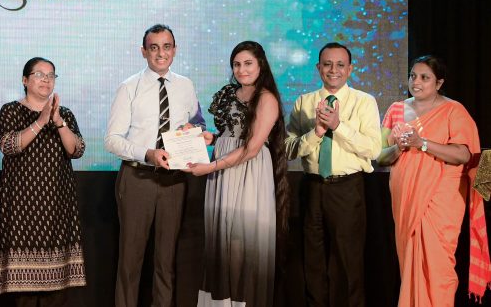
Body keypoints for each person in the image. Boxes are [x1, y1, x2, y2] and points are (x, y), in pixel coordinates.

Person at [105, 24, 206, 307]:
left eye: (166, 46)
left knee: (166, 260)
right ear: (143, 51)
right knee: (131, 261)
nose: (161, 53)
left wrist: (196, 130)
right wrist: (147, 153)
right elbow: (112, 140)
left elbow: (198, 122)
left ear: (175, 50)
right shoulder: (129, 87)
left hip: (174, 181)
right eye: (154, 47)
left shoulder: (185, 85)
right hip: (138, 179)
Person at [377, 55, 490, 305]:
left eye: (424, 77)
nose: (416, 82)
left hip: (441, 198)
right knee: (410, 262)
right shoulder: (396, 109)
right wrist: (400, 147)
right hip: (406, 196)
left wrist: (422, 143)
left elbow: (464, 154)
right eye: (412, 76)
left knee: (439, 269)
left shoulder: (454, 110)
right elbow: (381, 157)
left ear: (439, 83)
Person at [185, 41, 289, 306]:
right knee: (221, 242)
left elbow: (251, 148)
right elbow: (227, 134)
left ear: (261, 65)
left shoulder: (266, 98)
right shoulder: (228, 94)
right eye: (237, 64)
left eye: (248, 63)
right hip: (222, 173)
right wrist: (208, 138)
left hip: (248, 173)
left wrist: (211, 167)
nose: (242, 70)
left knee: (242, 242)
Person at [284, 42, 381, 307]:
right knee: (312, 259)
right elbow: (289, 149)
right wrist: (316, 132)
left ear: (350, 69)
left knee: (347, 261)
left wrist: (338, 126)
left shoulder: (364, 101)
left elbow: (373, 149)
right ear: (318, 68)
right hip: (312, 186)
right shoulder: (304, 102)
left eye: (340, 65)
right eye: (327, 64)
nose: (333, 70)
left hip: (347, 188)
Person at [0, 57, 86, 306]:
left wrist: (58, 122)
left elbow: (77, 150)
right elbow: (9, 145)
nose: (46, 80)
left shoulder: (65, 114)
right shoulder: (10, 110)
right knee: (25, 294)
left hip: (57, 209)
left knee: (57, 293)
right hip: (22, 212)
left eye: (51, 75)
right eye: (39, 75)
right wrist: (41, 120)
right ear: (25, 80)